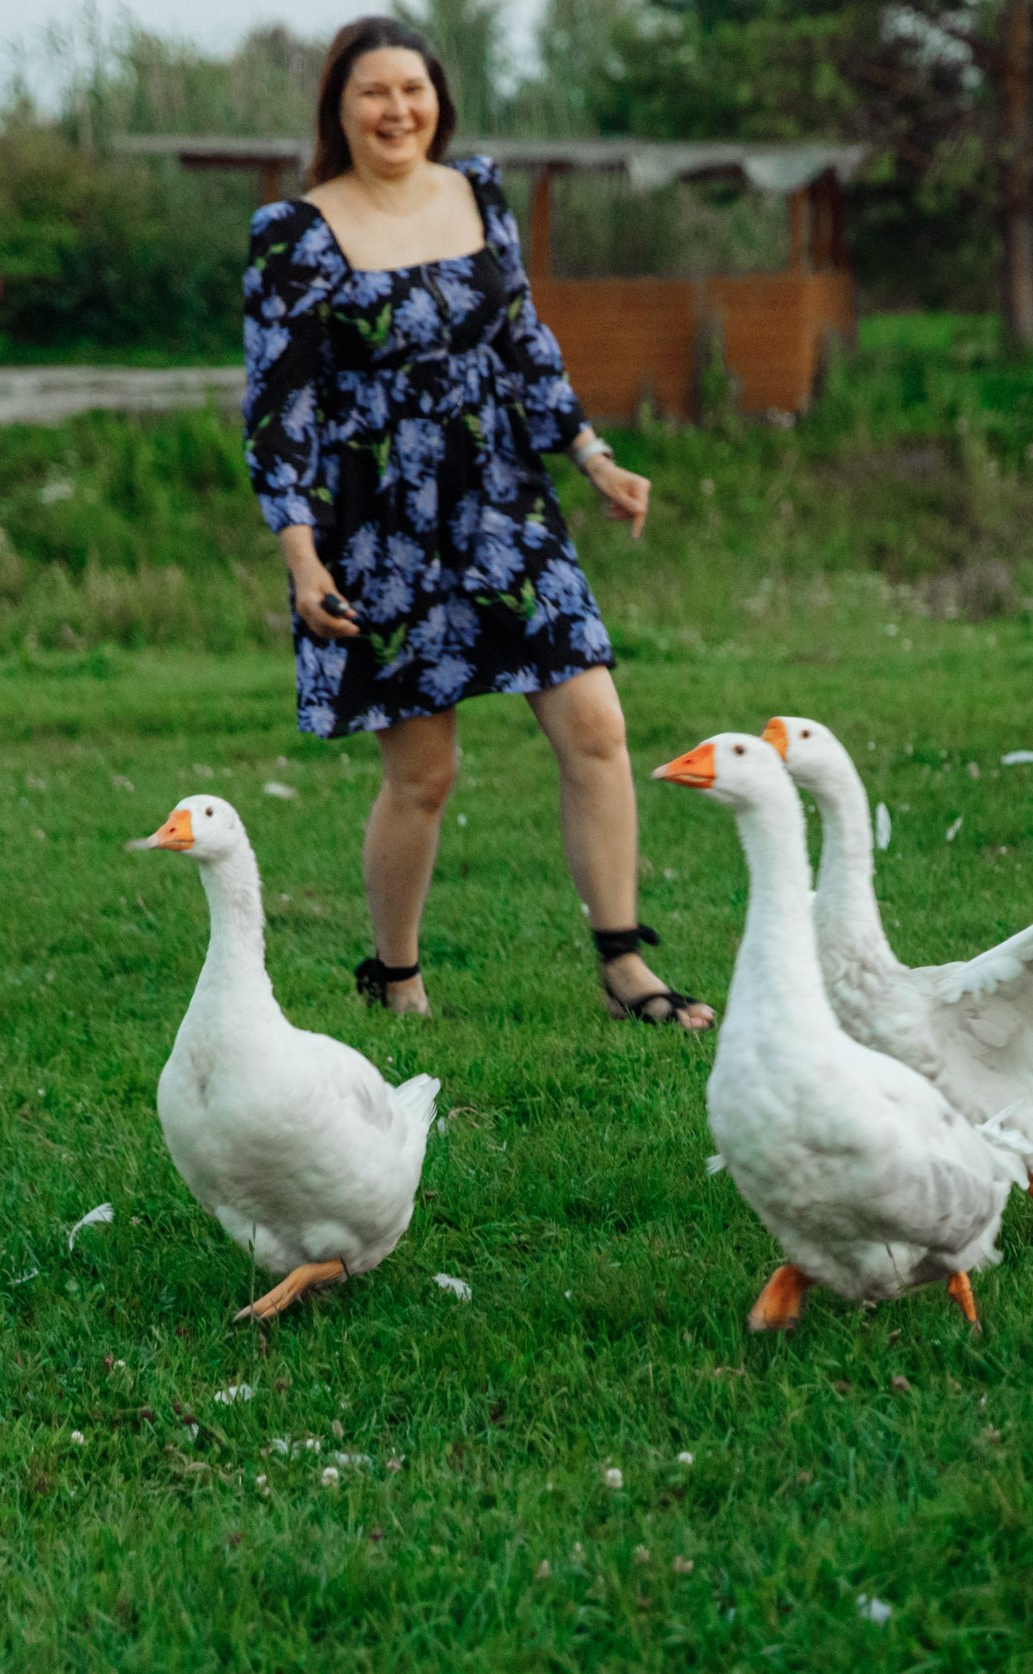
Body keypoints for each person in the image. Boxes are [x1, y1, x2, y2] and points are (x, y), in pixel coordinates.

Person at [241, 15, 713, 1031]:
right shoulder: (294, 231)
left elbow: (523, 345)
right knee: (423, 772)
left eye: (412, 90)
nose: (396, 110)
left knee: (594, 723)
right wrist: (298, 553)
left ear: (437, 103)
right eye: (373, 93)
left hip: (501, 503)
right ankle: (395, 975)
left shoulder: (477, 193)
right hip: (378, 523)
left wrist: (590, 455)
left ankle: (624, 963)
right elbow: (278, 402)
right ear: (339, 109)